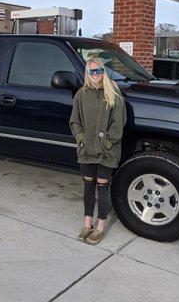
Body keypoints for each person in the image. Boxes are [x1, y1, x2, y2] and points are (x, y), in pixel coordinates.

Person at [69, 57, 127, 245]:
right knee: (88, 186)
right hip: (86, 149)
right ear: (87, 73)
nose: (96, 75)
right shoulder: (81, 94)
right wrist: (81, 138)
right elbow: (74, 121)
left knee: (102, 187)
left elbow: (118, 124)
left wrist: (107, 142)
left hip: (106, 151)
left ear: (104, 71)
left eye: (99, 70)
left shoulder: (114, 94)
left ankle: (100, 226)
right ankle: (87, 224)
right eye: (92, 71)